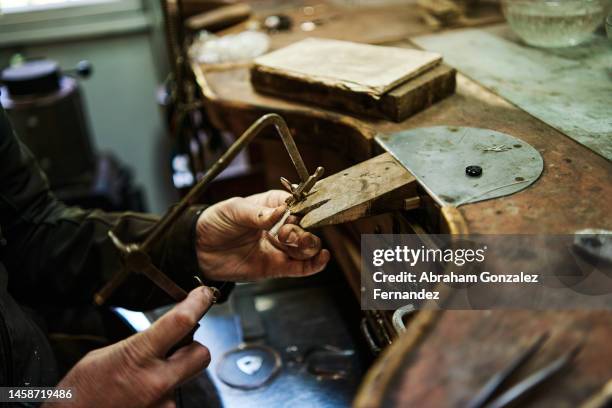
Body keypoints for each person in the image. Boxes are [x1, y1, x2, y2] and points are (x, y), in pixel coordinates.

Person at [0, 105, 330, 407]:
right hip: (35, 392)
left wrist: (188, 243)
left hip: (41, 368)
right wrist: (63, 401)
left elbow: (30, 227)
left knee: (196, 392)